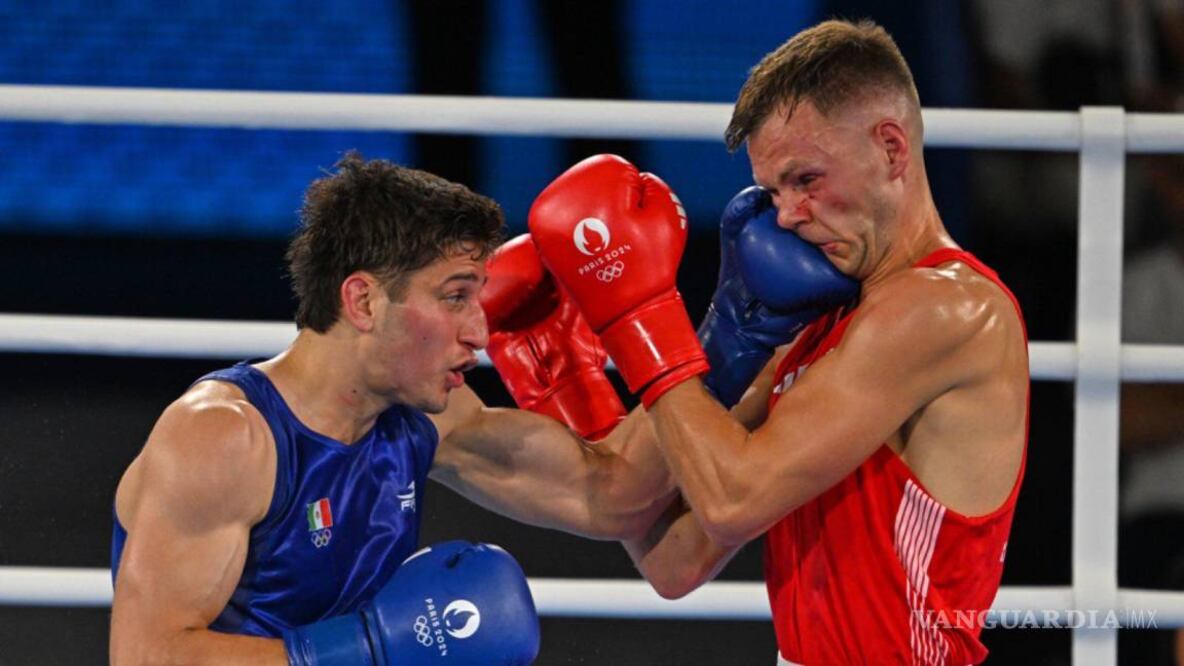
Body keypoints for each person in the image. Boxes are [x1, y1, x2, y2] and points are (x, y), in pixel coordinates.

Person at [529, 20, 1030, 664]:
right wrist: (577, 381)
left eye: (805, 180)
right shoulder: (820, 322)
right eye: (773, 191)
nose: (787, 214)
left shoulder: (942, 308)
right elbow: (673, 560)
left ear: (890, 149)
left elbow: (733, 501)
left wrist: (639, 316)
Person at [108, 152, 675, 664]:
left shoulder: (425, 418)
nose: (480, 331)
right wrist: (365, 651)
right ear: (363, 300)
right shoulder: (224, 437)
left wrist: (732, 330)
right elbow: (145, 656)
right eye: (455, 296)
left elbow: (611, 496)